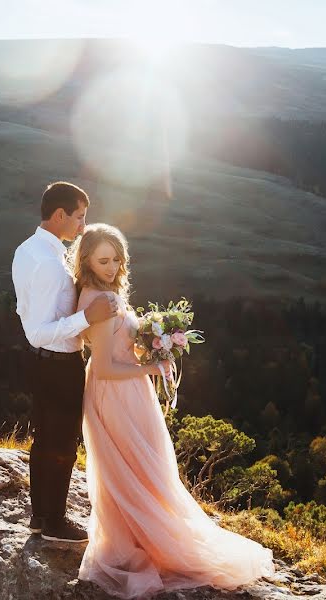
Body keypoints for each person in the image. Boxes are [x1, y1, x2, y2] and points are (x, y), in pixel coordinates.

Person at [68, 223, 277, 598]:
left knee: (146, 470)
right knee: (129, 470)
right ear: (85, 260)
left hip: (131, 391)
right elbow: (102, 368)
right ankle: (139, 544)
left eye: (117, 259)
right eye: (103, 260)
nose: (112, 266)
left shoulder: (109, 291)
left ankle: (149, 538)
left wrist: (153, 346)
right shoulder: (95, 301)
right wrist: (150, 367)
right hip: (113, 394)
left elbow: (121, 349)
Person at [11, 181, 118, 543]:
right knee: (60, 445)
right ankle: (54, 522)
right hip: (57, 364)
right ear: (59, 215)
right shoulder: (50, 265)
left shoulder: (27, 251)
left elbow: (24, 310)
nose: (82, 226)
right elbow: (40, 331)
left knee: (45, 440)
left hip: (40, 363)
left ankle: (40, 517)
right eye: (78, 217)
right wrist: (89, 317)